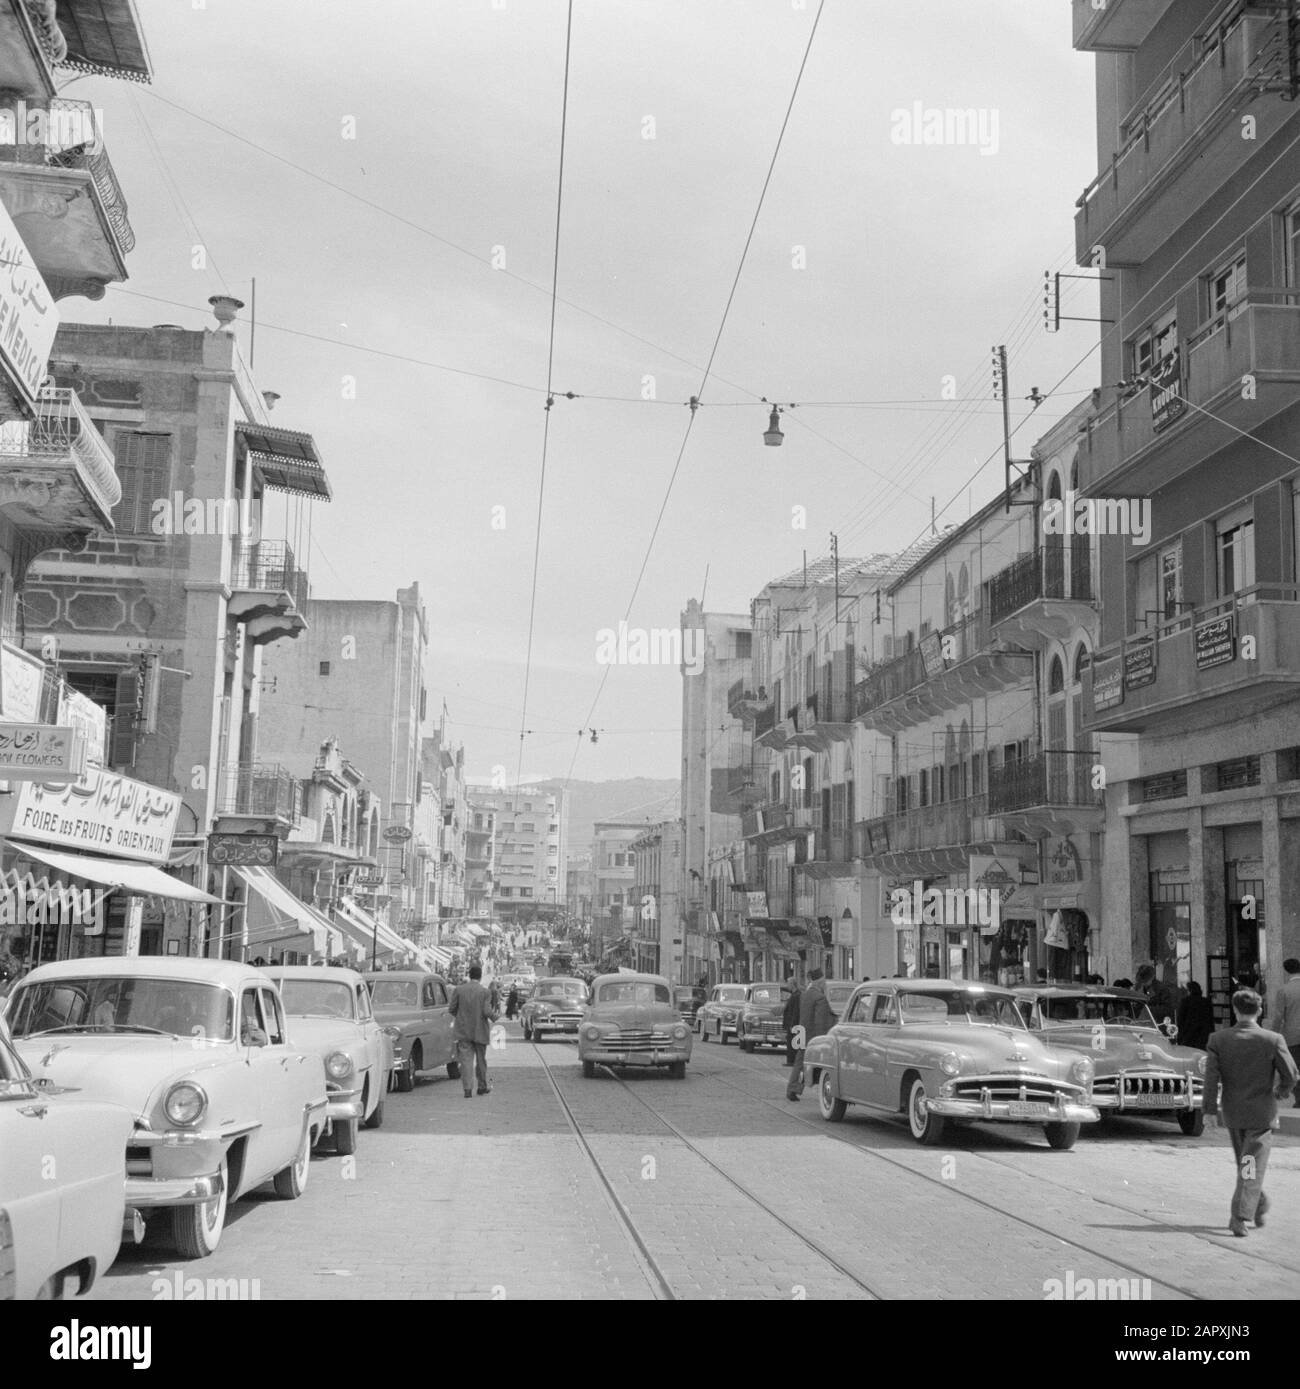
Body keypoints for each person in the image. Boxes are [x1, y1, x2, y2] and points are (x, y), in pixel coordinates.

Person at [1203, 989, 1298, 1237]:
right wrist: (1281, 1091)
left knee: (1247, 1165)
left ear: (1235, 1010)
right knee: (1250, 1166)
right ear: (1260, 1010)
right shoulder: (1272, 1039)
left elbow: (1211, 1079)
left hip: (1234, 1114)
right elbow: (1291, 1074)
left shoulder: (1218, 1039)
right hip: (1261, 1114)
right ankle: (1240, 1216)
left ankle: (1257, 1204)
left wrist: (1209, 1111)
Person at [449, 964, 499, 1098]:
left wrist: (461, 1018)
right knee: (481, 1060)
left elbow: (452, 1009)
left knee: (466, 1061)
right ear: (480, 976)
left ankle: (467, 1090)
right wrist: (495, 1017)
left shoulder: (459, 990)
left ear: (469, 975)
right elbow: (487, 1011)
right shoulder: (485, 992)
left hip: (463, 1031)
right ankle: (482, 1086)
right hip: (480, 1031)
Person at [787, 967, 833, 1102]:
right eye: (824, 981)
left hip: (802, 1033)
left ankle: (792, 1088)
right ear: (820, 982)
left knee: (799, 1063)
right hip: (813, 1037)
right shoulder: (820, 998)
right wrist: (822, 1039)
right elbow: (820, 1021)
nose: (825, 984)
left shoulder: (804, 994)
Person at [1273, 958, 1300, 1106]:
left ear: (1286, 971)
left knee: (1295, 1068)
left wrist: (1274, 1034)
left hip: (1292, 1036)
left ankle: (1299, 1099)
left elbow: (1279, 1016)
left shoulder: (1284, 990)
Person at [1175, 980, 1215, 1050]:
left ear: (1189, 991)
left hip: (1188, 1036)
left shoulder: (1185, 1001)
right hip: (1203, 1036)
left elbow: (1180, 1020)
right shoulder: (1206, 1002)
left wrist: (1179, 1037)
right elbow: (1210, 1021)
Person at [781, 976, 802, 1068]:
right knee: (790, 1042)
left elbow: (795, 1011)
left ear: (793, 984)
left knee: (792, 1042)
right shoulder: (794, 995)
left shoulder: (797, 995)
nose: (787, 985)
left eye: (788, 983)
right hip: (790, 1023)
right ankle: (790, 1060)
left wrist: (792, 1024)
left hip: (793, 1024)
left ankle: (792, 1061)